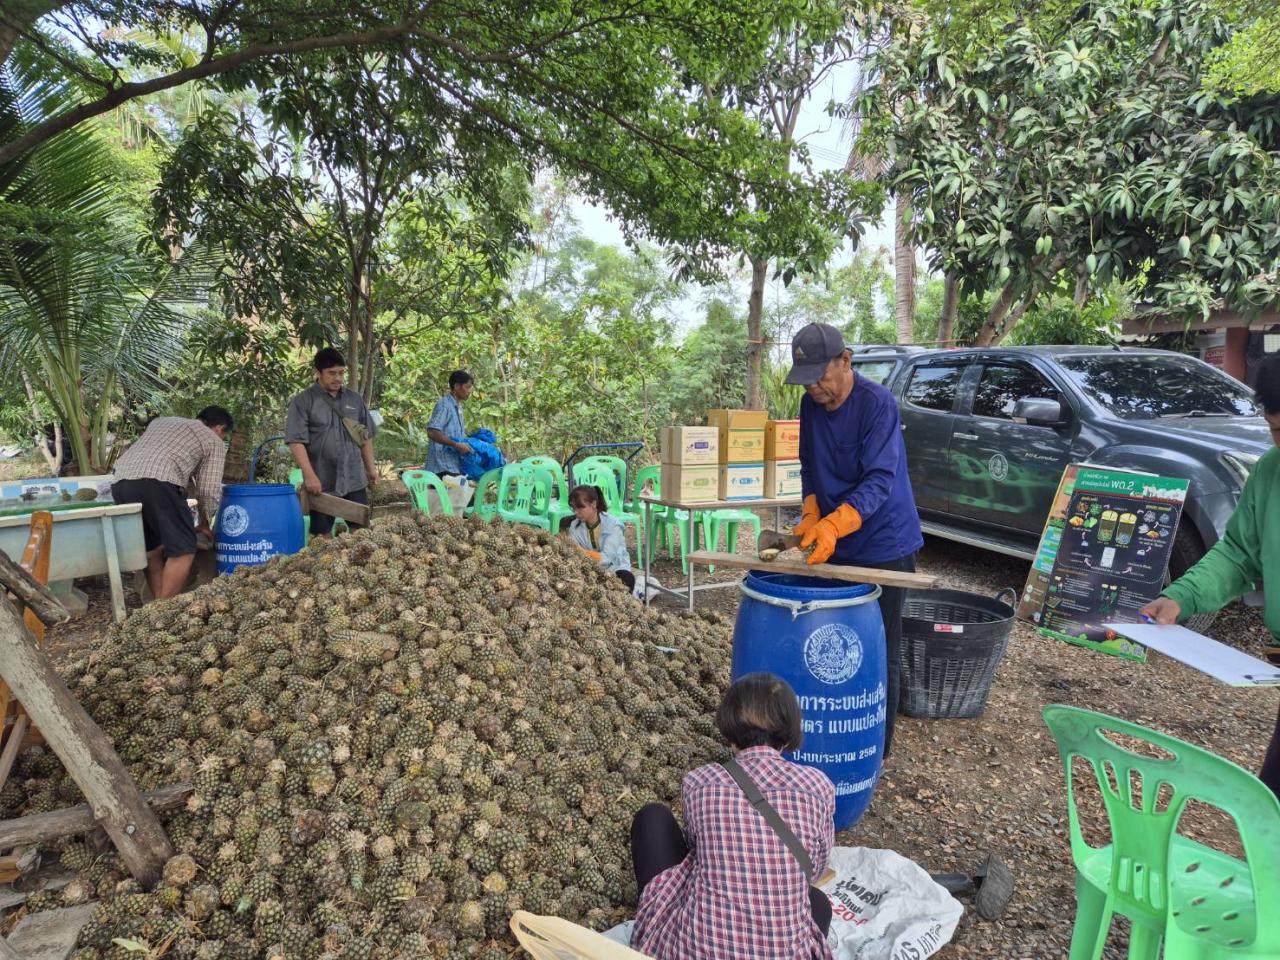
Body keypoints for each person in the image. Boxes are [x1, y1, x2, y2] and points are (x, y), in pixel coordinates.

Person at [1140, 354, 1280, 800]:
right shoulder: (1269, 473)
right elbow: (1240, 552)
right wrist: (1181, 596)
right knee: (1271, 806)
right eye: (1278, 431)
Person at [786, 322, 924, 754]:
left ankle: (875, 750)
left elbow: (880, 480)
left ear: (845, 361)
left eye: (821, 379)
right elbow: (809, 462)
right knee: (834, 642)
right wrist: (811, 512)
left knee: (880, 645)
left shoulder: (877, 404)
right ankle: (832, 732)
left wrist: (832, 524)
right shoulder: (812, 406)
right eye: (806, 382)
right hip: (838, 541)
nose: (814, 390)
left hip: (885, 543)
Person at [631, 673, 835, 960]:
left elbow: (695, 848)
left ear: (729, 731)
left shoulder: (699, 782)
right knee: (818, 904)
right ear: (789, 735)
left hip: (696, 951)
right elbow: (813, 869)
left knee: (652, 818)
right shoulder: (819, 786)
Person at [112, 406, 233, 600]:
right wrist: (205, 521)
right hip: (159, 482)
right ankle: (165, 608)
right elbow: (208, 489)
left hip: (121, 483)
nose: (222, 439)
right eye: (223, 436)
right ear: (220, 428)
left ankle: (155, 607)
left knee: (153, 549)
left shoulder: (161, 422)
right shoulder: (212, 440)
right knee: (184, 549)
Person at [285, 348, 377, 537]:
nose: (337, 378)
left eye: (341, 373)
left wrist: (371, 469)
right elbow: (296, 441)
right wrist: (309, 476)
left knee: (361, 535)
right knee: (322, 537)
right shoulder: (303, 402)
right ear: (318, 373)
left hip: (354, 479)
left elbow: (365, 437)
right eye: (332, 373)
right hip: (322, 482)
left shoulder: (354, 399)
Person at [566, 484, 636, 591]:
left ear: (593, 504)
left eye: (580, 507)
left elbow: (607, 557)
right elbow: (572, 552)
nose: (576, 512)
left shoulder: (613, 524)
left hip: (614, 568)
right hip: (589, 570)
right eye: (574, 508)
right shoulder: (574, 526)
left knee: (626, 580)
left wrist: (581, 551)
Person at [426, 371, 475, 479]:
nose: (469, 391)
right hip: (441, 467)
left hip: (453, 466)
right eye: (467, 387)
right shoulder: (445, 405)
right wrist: (456, 445)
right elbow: (432, 432)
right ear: (457, 386)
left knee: (466, 494)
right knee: (462, 495)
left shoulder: (457, 407)